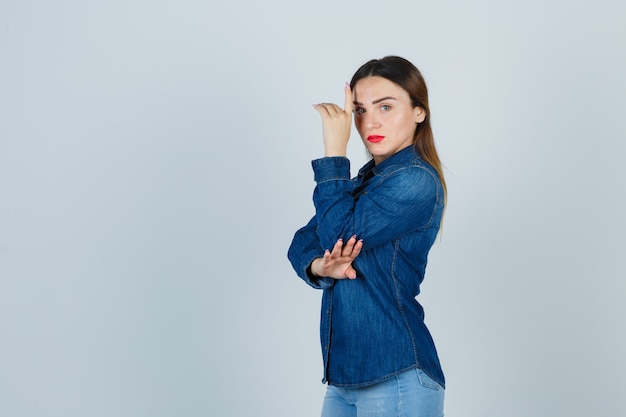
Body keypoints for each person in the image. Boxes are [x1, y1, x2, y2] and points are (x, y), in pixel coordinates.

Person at [287, 56, 447, 417]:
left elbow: (337, 232)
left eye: (385, 106)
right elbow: (301, 240)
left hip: (396, 375)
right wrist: (320, 266)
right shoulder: (363, 183)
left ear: (419, 111)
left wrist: (333, 153)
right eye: (358, 110)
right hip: (345, 380)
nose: (369, 122)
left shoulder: (415, 180)